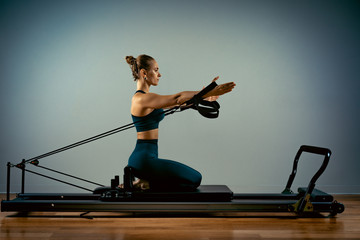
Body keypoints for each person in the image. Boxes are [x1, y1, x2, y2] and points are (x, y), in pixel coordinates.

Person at [125, 54, 235, 191]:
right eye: (156, 70)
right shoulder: (141, 99)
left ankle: (145, 181)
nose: (160, 74)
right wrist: (207, 91)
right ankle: (146, 183)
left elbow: (180, 104)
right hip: (144, 161)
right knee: (195, 178)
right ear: (144, 73)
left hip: (146, 159)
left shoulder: (149, 100)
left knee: (190, 181)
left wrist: (205, 96)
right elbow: (177, 98)